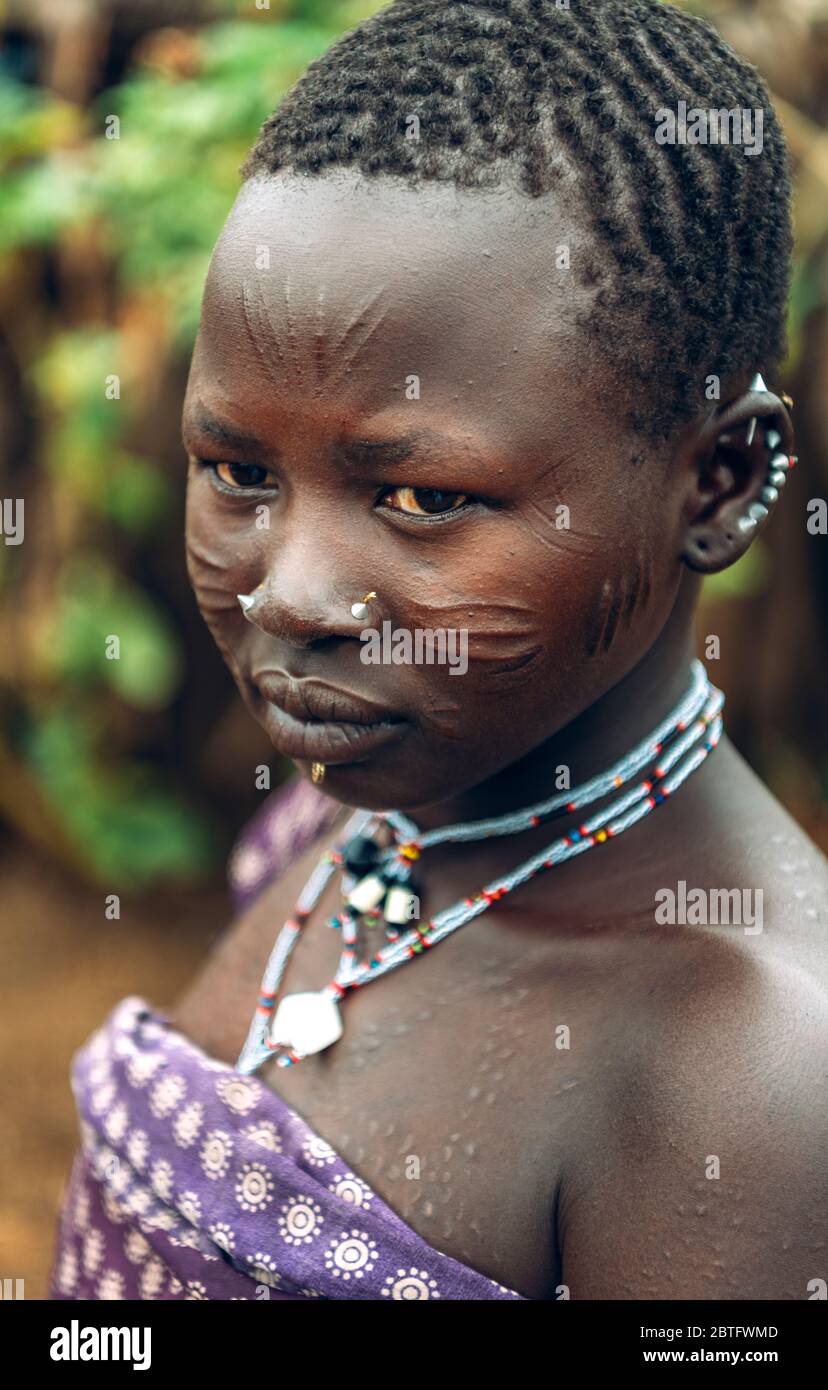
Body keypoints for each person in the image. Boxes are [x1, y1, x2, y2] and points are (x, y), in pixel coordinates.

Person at [50, 0, 827, 1302]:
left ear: (719, 483)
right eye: (237, 469)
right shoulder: (349, 826)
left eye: (421, 499)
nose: (292, 594)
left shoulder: (744, 1071)